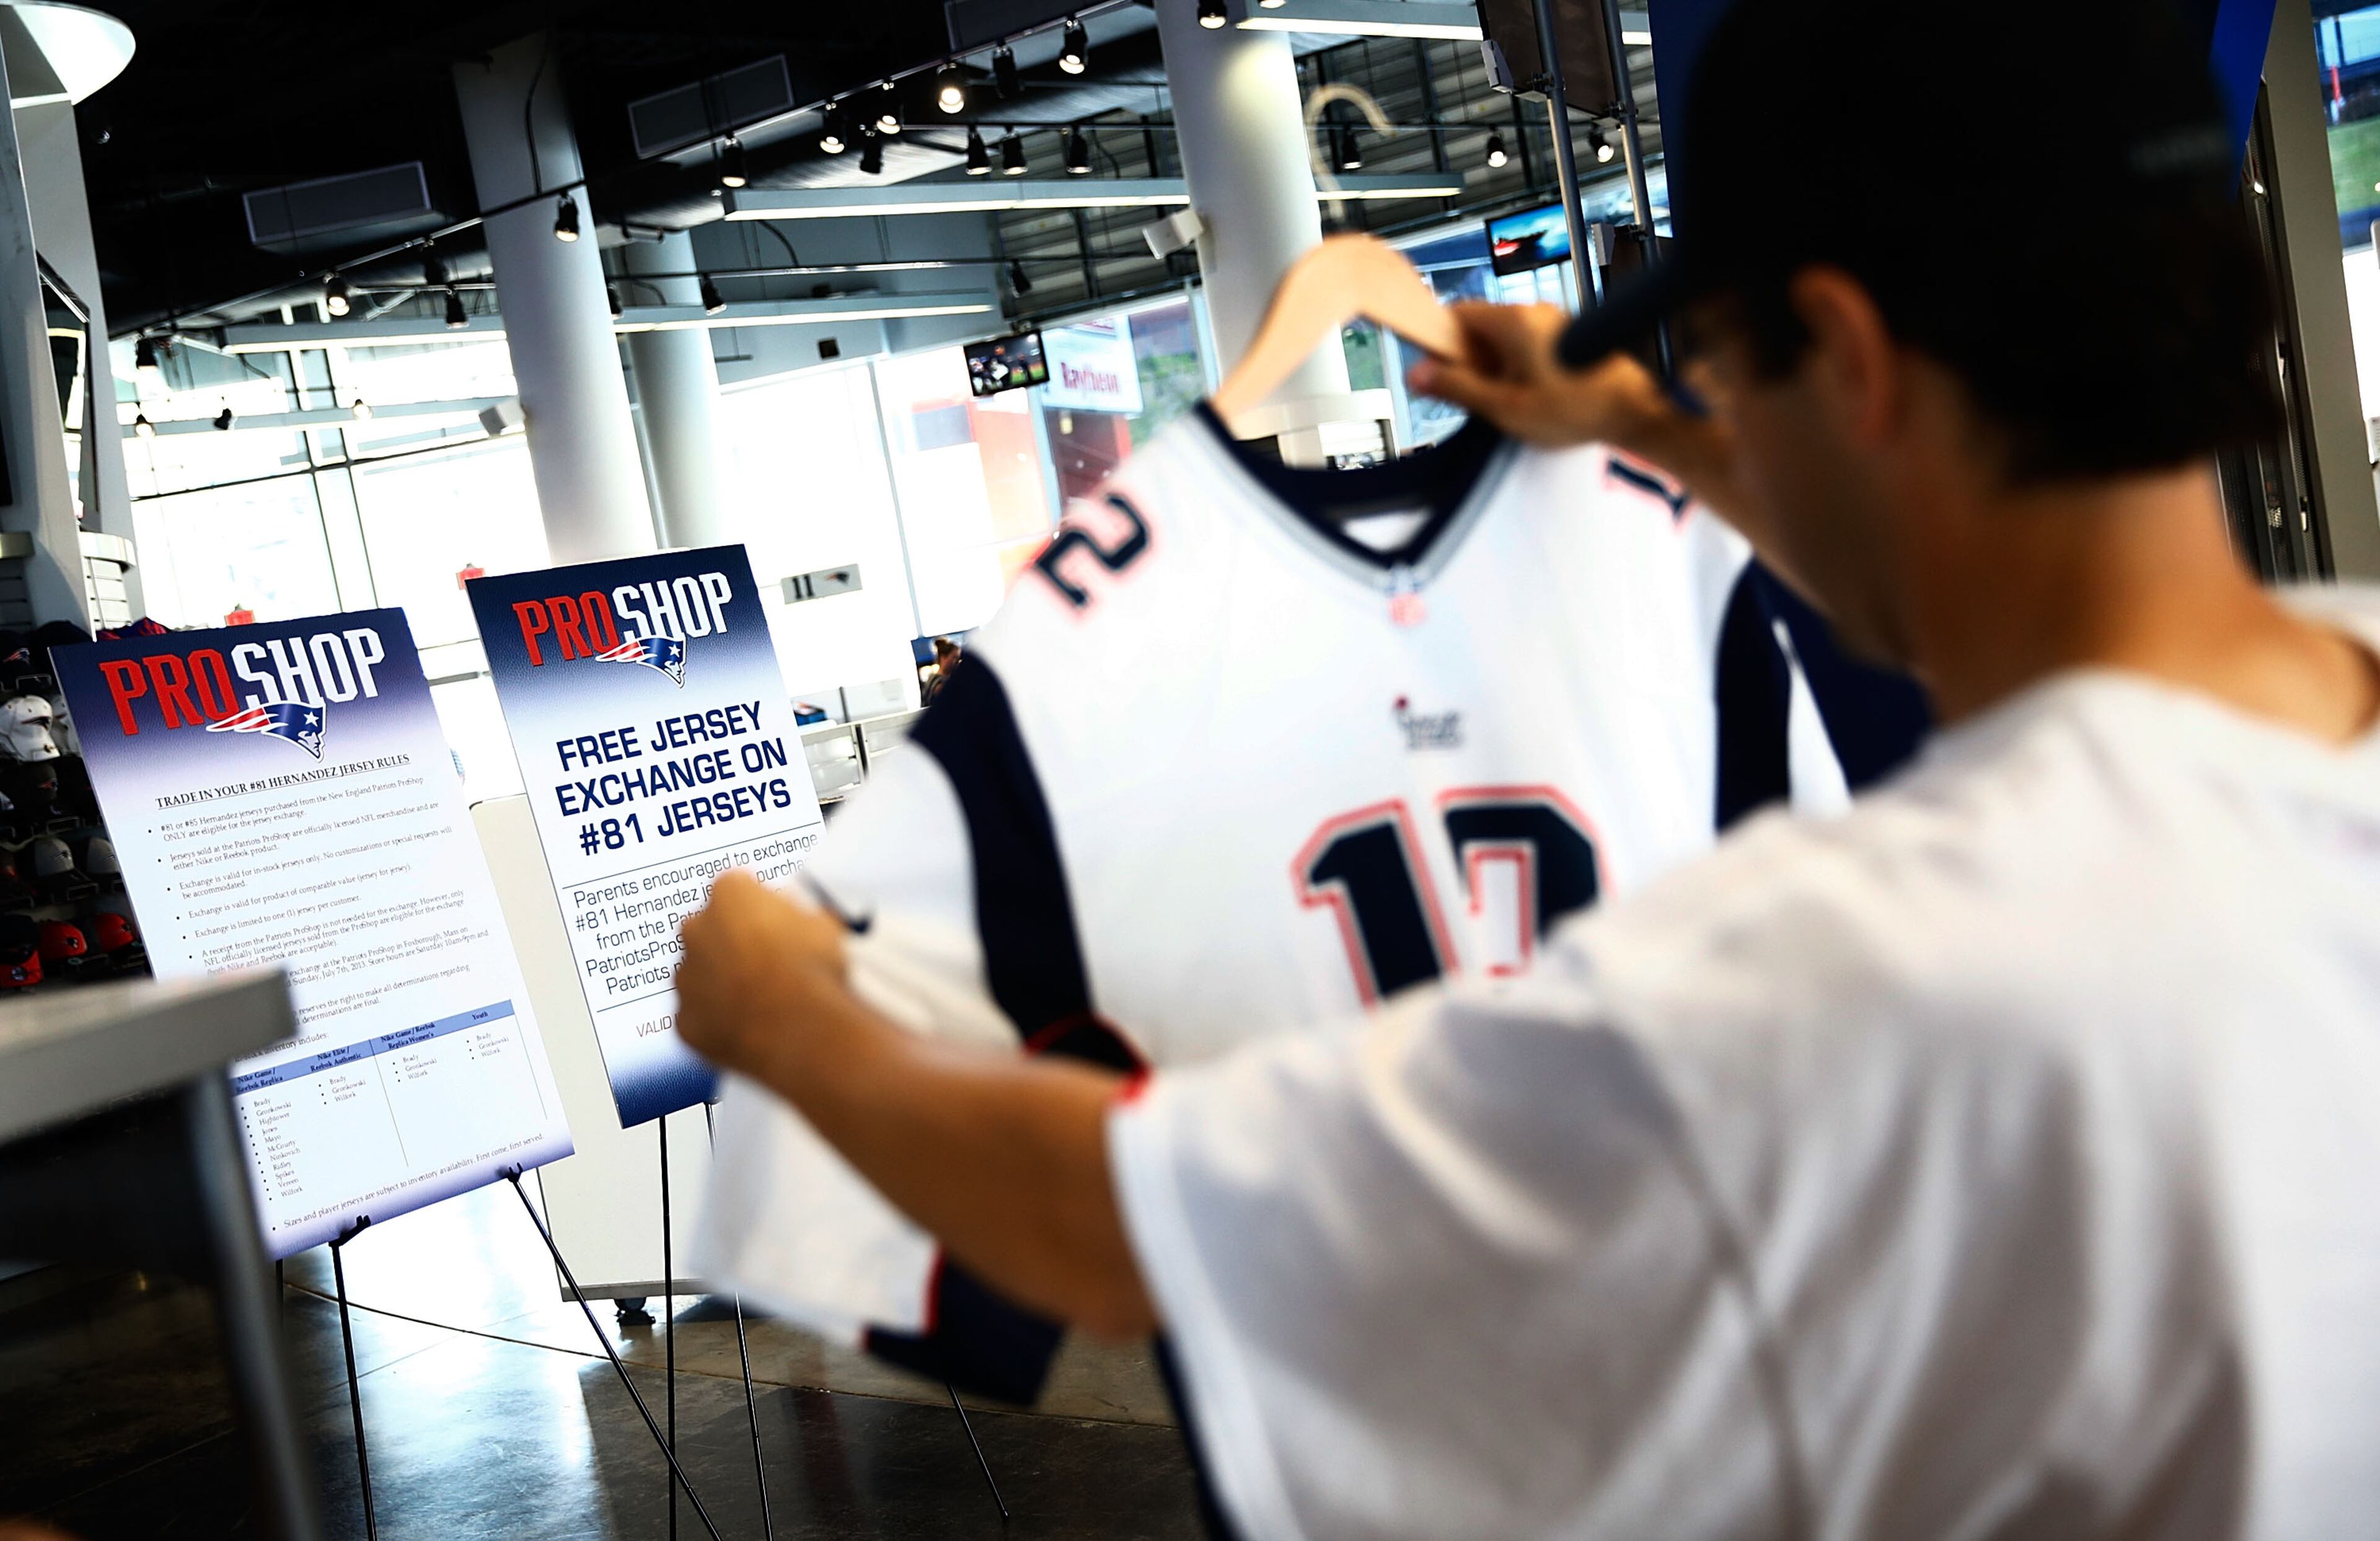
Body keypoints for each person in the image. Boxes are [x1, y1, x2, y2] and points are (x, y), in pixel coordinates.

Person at [676, 1, 2380, 1535]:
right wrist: (1650, 429)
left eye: (1725, 366)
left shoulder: (1830, 980)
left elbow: (1118, 1228)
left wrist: (783, 1016)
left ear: (1853, 363)